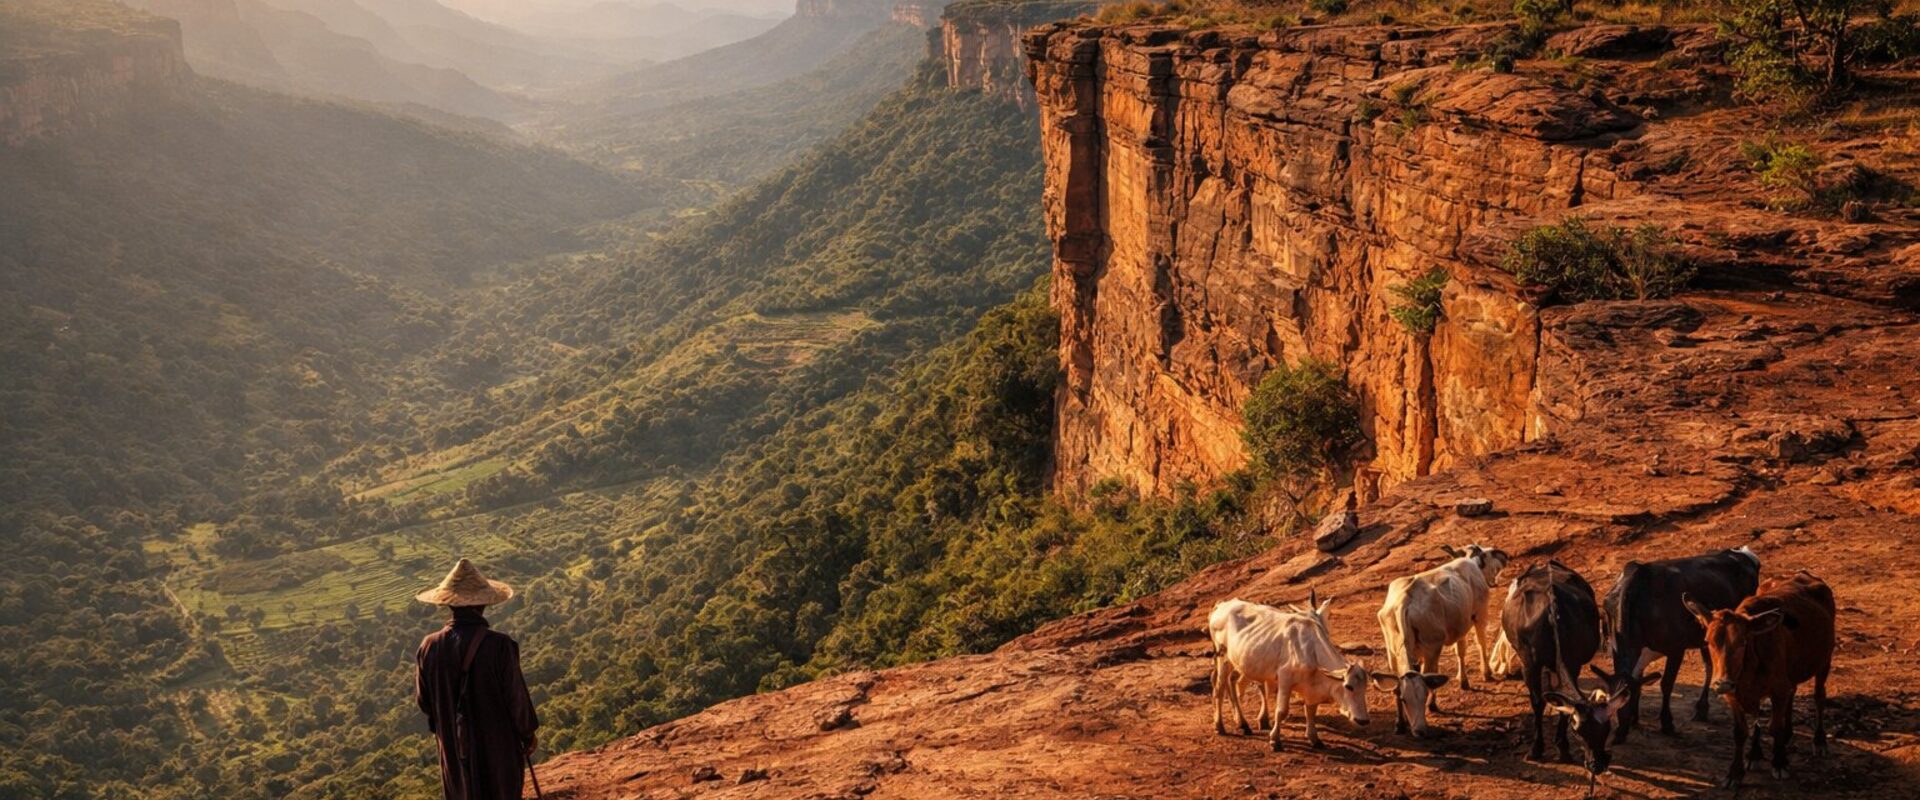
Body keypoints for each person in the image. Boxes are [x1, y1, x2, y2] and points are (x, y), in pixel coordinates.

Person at [414, 559, 539, 800]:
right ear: (483, 605)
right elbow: (516, 698)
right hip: (498, 748)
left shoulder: (429, 647)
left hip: (454, 749)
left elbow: (424, 702)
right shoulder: (500, 646)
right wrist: (527, 734)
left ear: (449, 604)